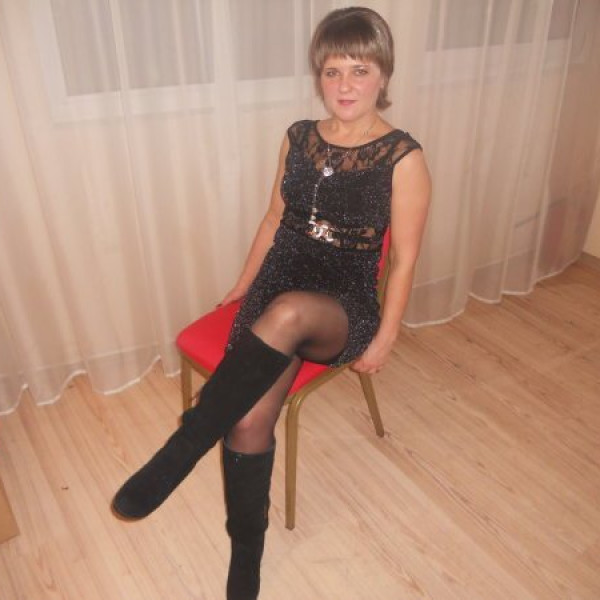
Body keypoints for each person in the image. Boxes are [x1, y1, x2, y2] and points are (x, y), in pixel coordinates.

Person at [112, 6, 431, 599]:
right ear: (319, 76)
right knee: (248, 420)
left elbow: (404, 260)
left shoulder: (403, 158)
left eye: (359, 71)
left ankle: (183, 447)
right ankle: (247, 553)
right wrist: (241, 287)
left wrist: (386, 338)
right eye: (333, 71)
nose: (344, 85)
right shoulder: (298, 138)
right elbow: (272, 219)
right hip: (277, 286)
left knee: (287, 313)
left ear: (383, 76)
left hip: (341, 305)